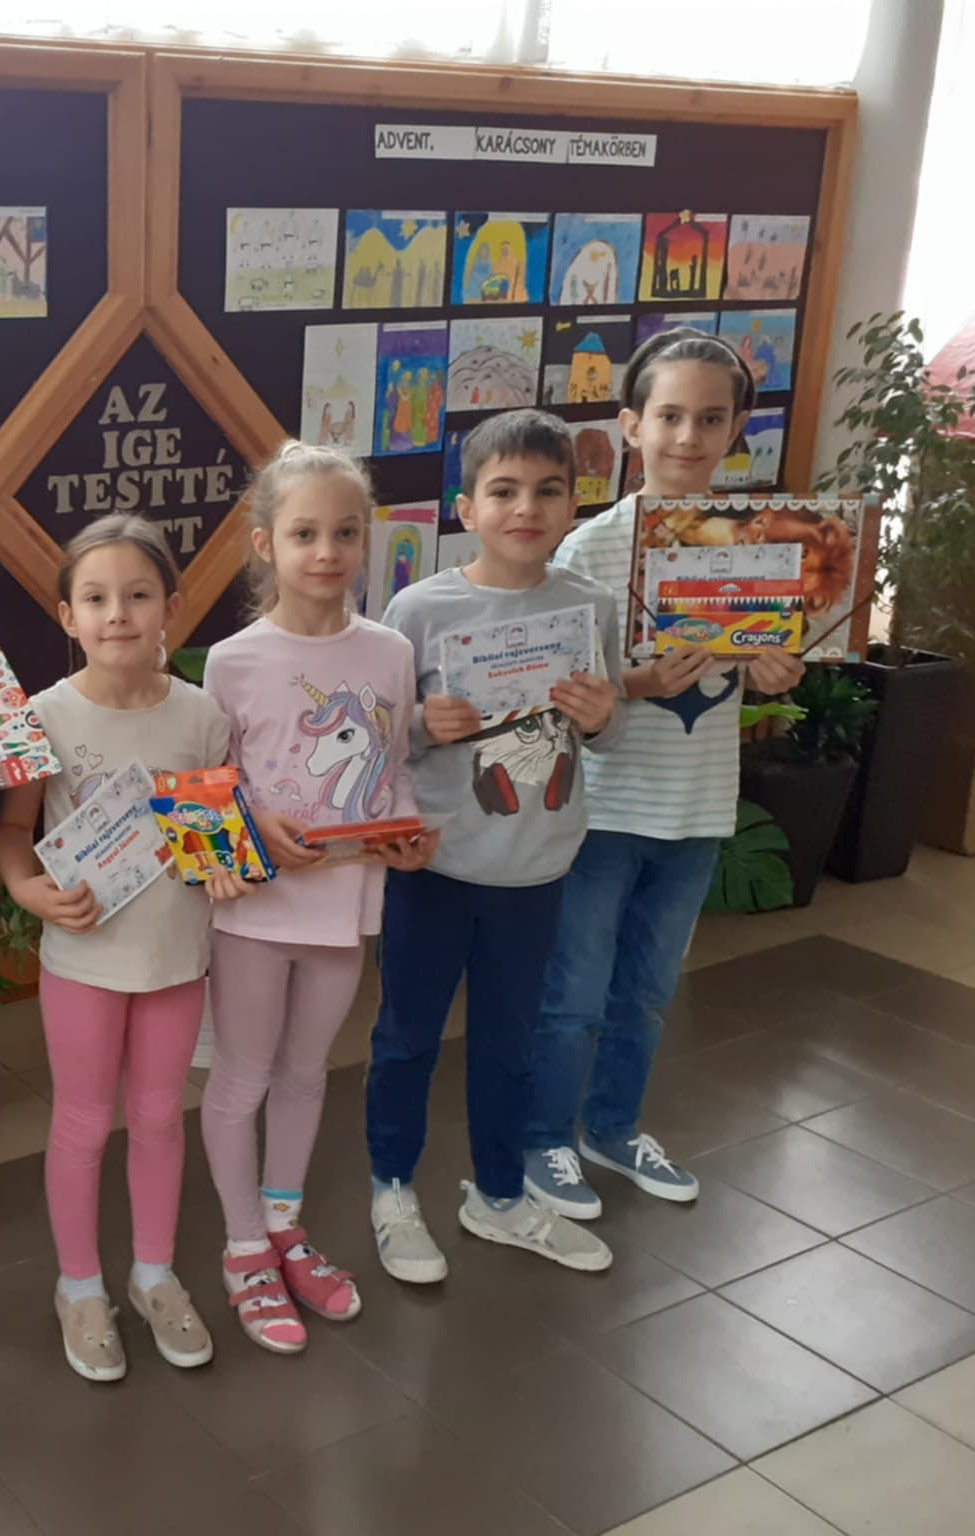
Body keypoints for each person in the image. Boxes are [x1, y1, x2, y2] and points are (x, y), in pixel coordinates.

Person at [523, 331, 804, 1217]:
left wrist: (776, 673)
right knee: (573, 994)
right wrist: (641, 683)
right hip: (603, 810)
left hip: (697, 808)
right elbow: (562, 688)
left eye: (710, 419)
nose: (688, 436)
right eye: (670, 415)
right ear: (631, 426)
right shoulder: (589, 550)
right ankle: (542, 1140)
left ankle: (611, 1127)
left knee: (645, 992)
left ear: (737, 429)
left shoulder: (762, 547)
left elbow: (768, 657)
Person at [368, 410, 624, 1284]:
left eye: (548, 491)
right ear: (467, 508)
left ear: (572, 504)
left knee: (509, 1045)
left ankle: (502, 1195)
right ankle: (392, 1189)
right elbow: (382, 742)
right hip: (437, 865)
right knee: (407, 1037)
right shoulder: (419, 609)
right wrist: (419, 726)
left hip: (537, 867)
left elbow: (608, 733)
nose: (526, 508)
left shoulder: (589, 607)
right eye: (504, 491)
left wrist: (604, 718)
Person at [199, 441, 437, 1355]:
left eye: (345, 532)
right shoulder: (232, 661)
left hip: (346, 906)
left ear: (366, 538)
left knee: (307, 1073)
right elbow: (213, 788)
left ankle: (284, 1225)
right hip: (254, 914)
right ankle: (243, 1248)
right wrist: (252, 825)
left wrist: (406, 834)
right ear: (266, 543)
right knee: (242, 1077)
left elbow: (393, 767)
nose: (327, 551)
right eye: (304, 534)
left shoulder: (391, 652)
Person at [0, 515, 238, 1382]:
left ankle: (154, 1274)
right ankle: (80, 1286)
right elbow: (13, 832)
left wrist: (226, 865)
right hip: (85, 961)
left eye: (137, 595)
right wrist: (28, 890)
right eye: (95, 598)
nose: (118, 614)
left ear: (172, 606)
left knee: (163, 1116)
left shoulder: (201, 715)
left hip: (175, 959)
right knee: (85, 1121)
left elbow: (214, 842)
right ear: (67, 616)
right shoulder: (45, 716)